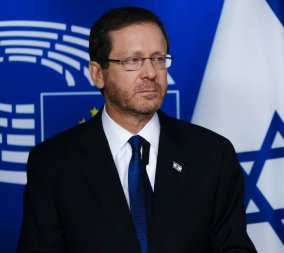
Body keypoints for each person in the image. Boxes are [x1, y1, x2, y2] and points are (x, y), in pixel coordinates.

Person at [17, 6, 257, 253]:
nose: (151, 73)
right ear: (98, 74)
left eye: (158, 59)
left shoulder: (212, 155)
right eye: (133, 60)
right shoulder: (52, 163)